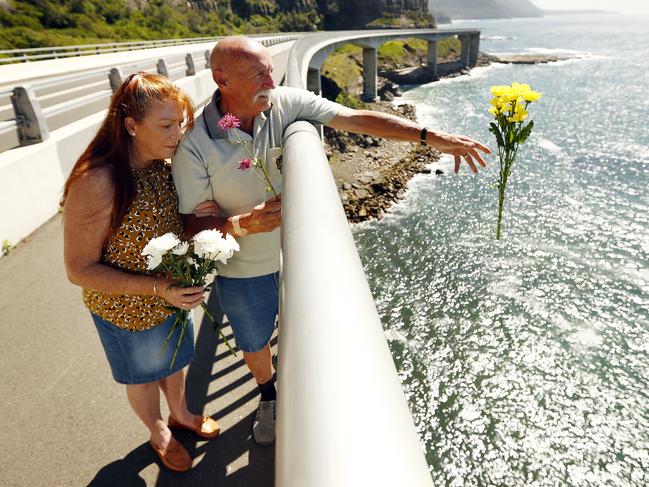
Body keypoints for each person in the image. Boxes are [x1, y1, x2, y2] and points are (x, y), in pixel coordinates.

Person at [171, 36, 491, 446]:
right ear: (222, 80)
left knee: (308, 333)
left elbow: (356, 119)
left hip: (301, 256)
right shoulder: (195, 144)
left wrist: (431, 137)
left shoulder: (282, 101)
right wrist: (240, 223)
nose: (271, 78)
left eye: (270, 68)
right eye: (258, 73)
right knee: (253, 341)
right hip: (242, 267)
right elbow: (191, 227)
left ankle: (302, 392)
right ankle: (268, 394)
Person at [62, 72, 221, 473]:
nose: (178, 134)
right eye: (166, 125)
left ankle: (181, 413)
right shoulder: (97, 181)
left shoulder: (160, 164)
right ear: (131, 125)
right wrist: (157, 288)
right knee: (144, 375)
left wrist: (196, 221)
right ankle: (158, 432)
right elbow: (78, 269)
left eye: (181, 123)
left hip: (168, 296)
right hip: (125, 309)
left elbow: (165, 222)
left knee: (172, 360)